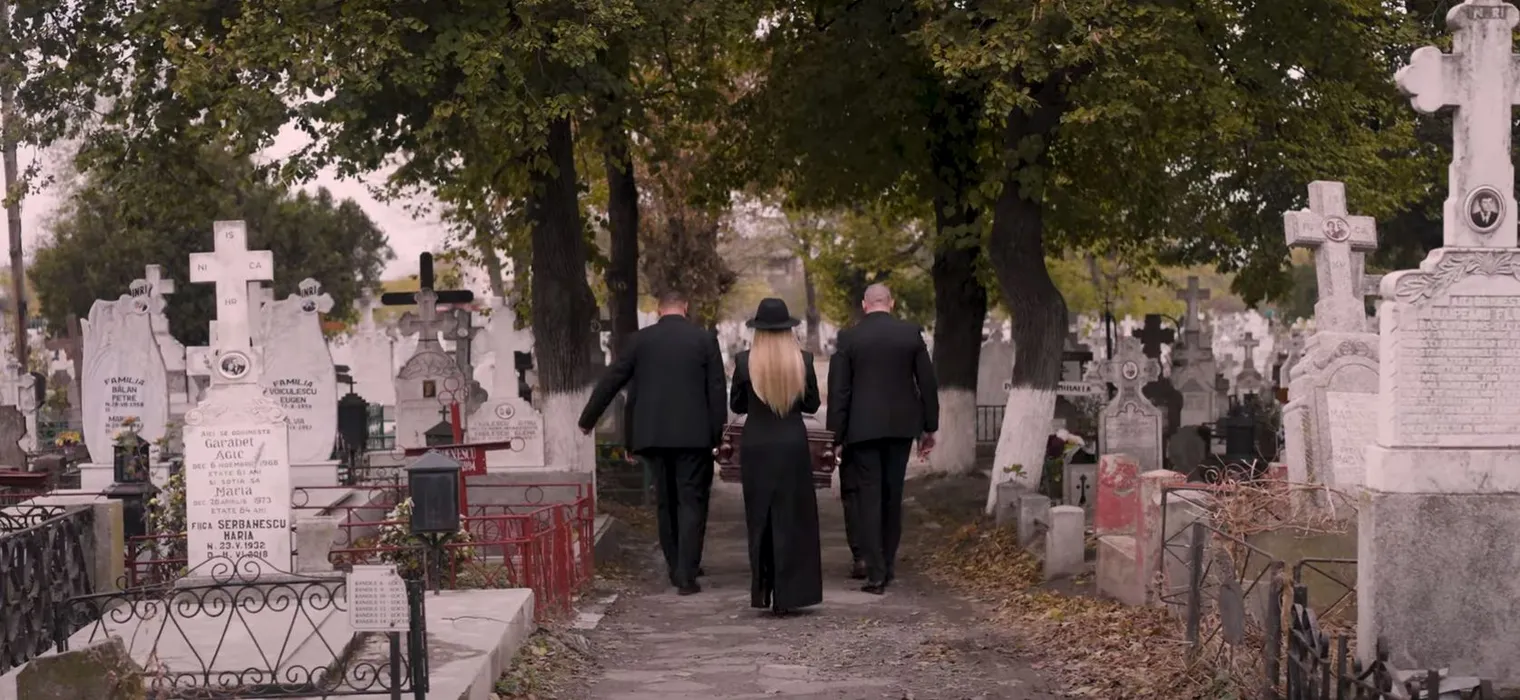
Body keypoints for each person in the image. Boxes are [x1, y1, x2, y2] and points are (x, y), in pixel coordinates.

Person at [578, 291, 726, 595]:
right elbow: (716, 390)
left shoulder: (640, 341)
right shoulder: (704, 340)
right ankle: (687, 573)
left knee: (665, 501)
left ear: (659, 310)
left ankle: (675, 566)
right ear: (685, 307)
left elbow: (613, 379)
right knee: (692, 500)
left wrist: (587, 419)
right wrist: (717, 436)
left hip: (653, 435)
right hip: (694, 436)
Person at [827, 284, 938, 594]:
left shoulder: (849, 338)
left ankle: (875, 572)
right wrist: (929, 427)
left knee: (868, 497)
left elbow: (840, 391)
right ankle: (888, 565)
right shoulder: (910, 334)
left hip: (862, 430)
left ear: (865, 304)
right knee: (892, 495)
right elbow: (927, 383)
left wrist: (835, 436)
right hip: (901, 428)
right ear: (892, 302)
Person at [729, 298, 824, 614]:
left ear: (757, 330)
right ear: (788, 330)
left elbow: (737, 405)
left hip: (756, 446)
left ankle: (763, 591)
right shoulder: (803, 360)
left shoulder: (744, 362)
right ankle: (791, 593)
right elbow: (811, 404)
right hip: (792, 445)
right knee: (794, 519)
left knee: (760, 518)